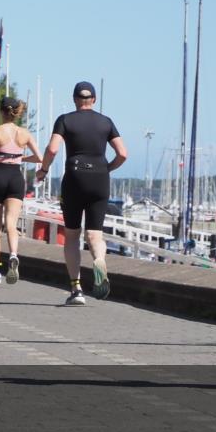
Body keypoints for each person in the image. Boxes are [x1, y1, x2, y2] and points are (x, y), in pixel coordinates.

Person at [37, 81, 126, 306]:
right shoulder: (106, 122)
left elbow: (53, 149)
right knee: (95, 235)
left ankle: (76, 289)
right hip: (100, 179)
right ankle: (98, 260)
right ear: (93, 100)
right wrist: (107, 168)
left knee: (72, 235)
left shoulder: (65, 120)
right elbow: (123, 154)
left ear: (75, 99)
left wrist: (44, 170)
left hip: (75, 178)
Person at [0, 97, 43, 285]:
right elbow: (39, 157)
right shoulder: (24, 134)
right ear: (16, 113)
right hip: (16, 177)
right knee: (11, 224)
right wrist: (21, 158)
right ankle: (14, 255)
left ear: (2, 111)